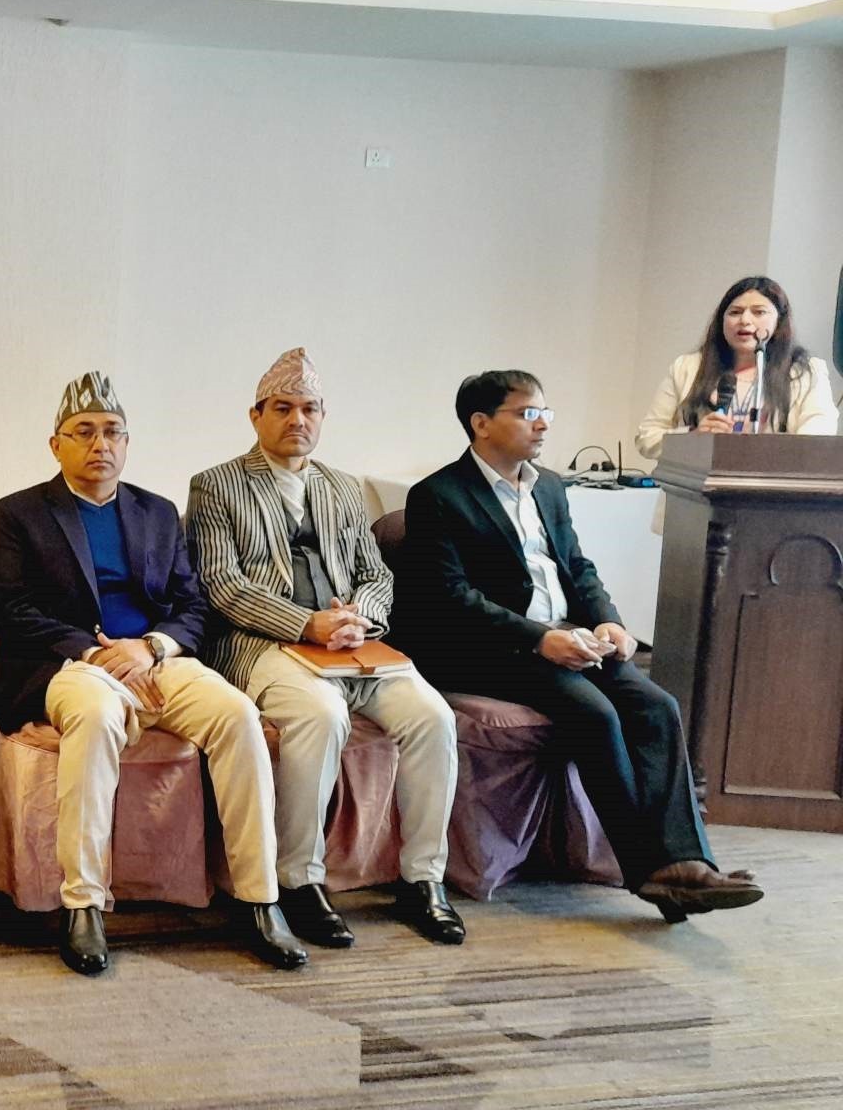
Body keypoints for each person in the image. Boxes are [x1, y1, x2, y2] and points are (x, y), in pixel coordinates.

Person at [398, 370, 763, 921]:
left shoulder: (547, 485)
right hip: (487, 649)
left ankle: (689, 863)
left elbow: (576, 567)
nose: (542, 423)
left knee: (656, 706)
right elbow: (450, 599)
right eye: (527, 413)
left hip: (568, 635)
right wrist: (541, 639)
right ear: (480, 424)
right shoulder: (438, 496)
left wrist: (608, 620)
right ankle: (647, 871)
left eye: (546, 411)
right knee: (595, 713)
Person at [0, 371, 308, 975]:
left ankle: (260, 899)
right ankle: (83, 904)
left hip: (155, 660)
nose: (99, 444)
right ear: (56, 445)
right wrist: (94, 652)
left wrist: (151, 647)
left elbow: (194, 605)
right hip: (70, 664)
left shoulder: (157, 512)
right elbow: (16, 611)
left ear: (128, 443)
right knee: (96, 712)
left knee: (238, 715)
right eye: (83, 432)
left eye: (112, 432)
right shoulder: (21, 514)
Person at [186, 349, 464, 949]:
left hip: (353, 646)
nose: (297, 420)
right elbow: (222, 585)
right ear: (256, 415)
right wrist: (306, 624)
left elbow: (376, 572)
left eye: (309, 409)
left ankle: (423, 879)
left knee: (433, 717)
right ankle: (297, 880)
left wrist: (361, 618)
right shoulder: (215, 485)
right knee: (319, 713)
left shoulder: (342, 487)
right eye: (283, 408)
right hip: (262, 644)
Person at [636, 275, 838, 459]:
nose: (745, 320)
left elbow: (817, 441)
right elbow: (647, 438)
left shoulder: (806, 371)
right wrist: (693, 437)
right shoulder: (688, 367)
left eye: (759, 312)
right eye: (735, 312)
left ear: (779, 321)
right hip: (695, 492)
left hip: (774, 493)